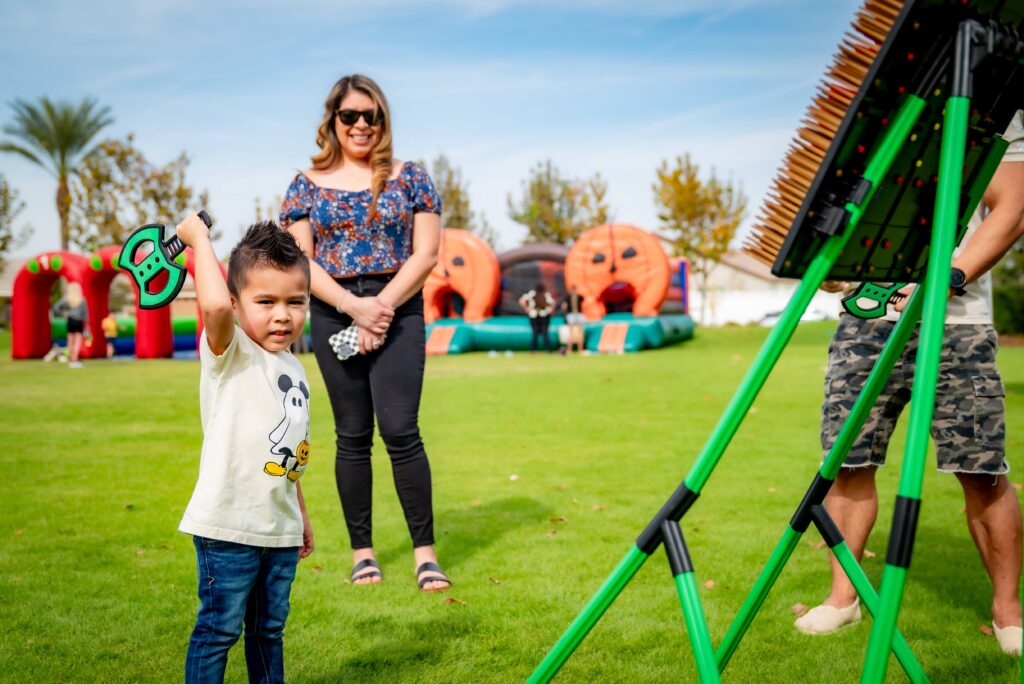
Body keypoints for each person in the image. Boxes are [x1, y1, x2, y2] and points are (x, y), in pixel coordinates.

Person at [795, 112, 1024, 656]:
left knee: (982, 470)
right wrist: (835, 261)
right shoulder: (879, 111)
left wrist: (947, 278)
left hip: (957, 324)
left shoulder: (1000, 112)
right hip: (865, 323)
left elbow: (1012, 207)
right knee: (847, 463)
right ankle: (842, 599)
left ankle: (1008, 611)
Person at [280, 74, 450, 591]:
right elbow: (301, 261)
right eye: (350, 115)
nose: (360, 125)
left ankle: (425, 555)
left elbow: (426, 254)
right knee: (352, 436)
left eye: (370, 116)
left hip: (399, 307)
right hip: (335, 307)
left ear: (382, 121)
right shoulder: (304, 184)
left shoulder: (412, 177)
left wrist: (380, 308)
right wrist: (354, 307)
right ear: (332, 120)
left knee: (401, 430)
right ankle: (363, 553)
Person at [176, 216, 315, 683]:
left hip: (278, 528)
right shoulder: (229, 349)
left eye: (295, 302)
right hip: (228, 527)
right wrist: (198, 241)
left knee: (269, 632)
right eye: (266, 301)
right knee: (218, 631)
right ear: (236, 304)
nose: (283, 315)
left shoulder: (295, 366)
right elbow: (212, 306)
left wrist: (300, 514)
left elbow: (288, 452)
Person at [56, 282, 88, 368]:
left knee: (70, 342)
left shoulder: (67, 299)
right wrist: (87, 325)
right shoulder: (81, 299)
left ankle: (70, 360)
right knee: (77, 342)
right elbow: (85, 314)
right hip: (78, 321)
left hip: (70, 321)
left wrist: (64, 314)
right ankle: (75, 360)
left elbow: (56, 307)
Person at [519, 282, 555, 353]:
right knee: (542, 333)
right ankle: (546, 350)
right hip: (539, 315)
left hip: (538, 315)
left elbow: (521, 300)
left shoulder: (542, 294)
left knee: (537, 333)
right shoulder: (535, 294)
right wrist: (527, 309)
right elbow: (553, 303)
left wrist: (527, 309)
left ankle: (535, 350)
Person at [563, 285, 585, 354]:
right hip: (575, 315)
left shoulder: (570, 297)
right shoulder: (577, 297)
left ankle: (571, 350)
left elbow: (564, 306)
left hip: (574, 315)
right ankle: (578, 350)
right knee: (577, 333)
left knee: (574, 333)